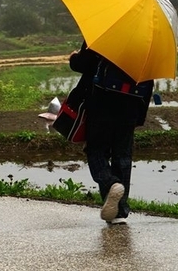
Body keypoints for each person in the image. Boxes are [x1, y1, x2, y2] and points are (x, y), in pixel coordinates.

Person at [69, 41, 153, 225]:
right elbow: (149, 78)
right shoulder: (148, 41)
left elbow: (84, 64)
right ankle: (119, 213)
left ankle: (110, 183)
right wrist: (140, 116)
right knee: (122, 156)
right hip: (131, 105)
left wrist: (74, 57)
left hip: (101, 103)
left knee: (96, 150)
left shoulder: (106, 33)